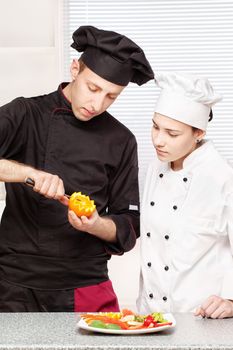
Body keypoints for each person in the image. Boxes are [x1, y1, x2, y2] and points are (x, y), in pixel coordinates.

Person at [0, 25, 154, 312]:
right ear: (74, 69)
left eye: (111, 96)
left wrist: (97, 225)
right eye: (93, 88)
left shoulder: (121, 140)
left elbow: (129, 222)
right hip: (14, 285)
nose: (97, 104)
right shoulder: (25, 114)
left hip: (85, 283)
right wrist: (27, 173)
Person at [137, 71, 233, 319]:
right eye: (155, 127)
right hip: (149, 317)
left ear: (198, 133)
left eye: (172, 133)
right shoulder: (154, 168)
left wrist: (232, 301)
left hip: (201, 318)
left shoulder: (222, 176)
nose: (158, 140)